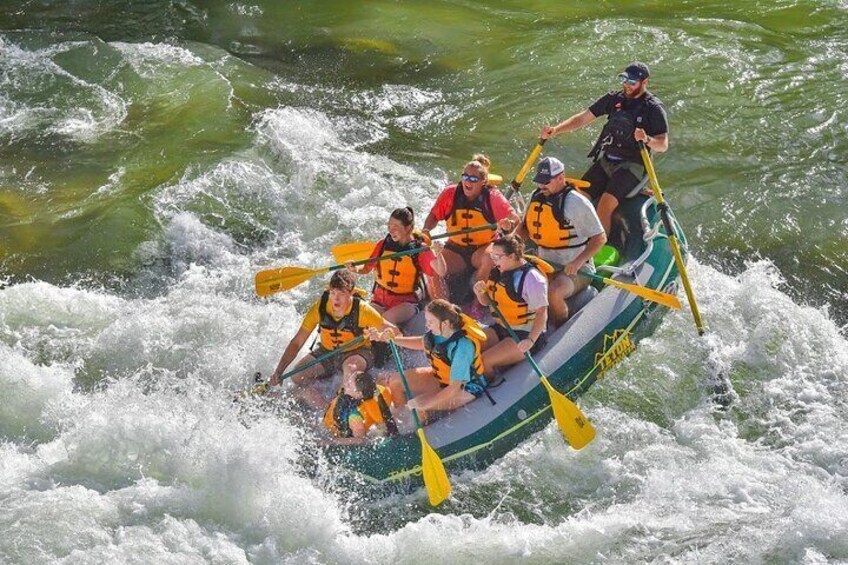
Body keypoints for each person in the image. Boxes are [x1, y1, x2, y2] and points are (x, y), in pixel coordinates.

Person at [540, 62, 668, 236]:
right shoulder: (614, 99)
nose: (627, 85)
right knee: (578, 197)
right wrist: (556, 130)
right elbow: (584, 117)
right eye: (625, 80)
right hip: (607, 159)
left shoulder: (653, 108)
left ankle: (598, 247)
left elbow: (662, 144)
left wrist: (646, 139)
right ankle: (573, 240)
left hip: (633, 164)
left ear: (644, 82)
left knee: (605, 205)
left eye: (632, 82)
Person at [268, 270, 399, 408]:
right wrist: (279, 370)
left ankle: (339, 409)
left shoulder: (363, 310)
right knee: (297, 376)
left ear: (351, 292)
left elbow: (395, 332)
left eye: (341, 294)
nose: (336, 299)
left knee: (350, 369)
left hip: (357, 352)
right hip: (327, 351)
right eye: (333, 293)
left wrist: (384, 334)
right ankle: (320, 403)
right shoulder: (320, 307)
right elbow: (297, 342)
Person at [516, 156, 607, 326]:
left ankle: (559, 328)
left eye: (546, 182)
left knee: (553, 293)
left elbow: (600, 238)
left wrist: (578, 262)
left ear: (560, 178)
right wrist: (511, 242)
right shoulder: (537, 196)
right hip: (544, 263)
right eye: (539, 181)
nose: (542, 186)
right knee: (521, 289)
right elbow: (524, 229)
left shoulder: (577, 202)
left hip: (575, 268)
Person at [370, 299, 488, 423]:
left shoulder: (462, 347)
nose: (427, 325)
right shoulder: (439, 331)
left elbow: (454, 388)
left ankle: (421, 428)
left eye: (430, 322)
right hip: (443, 379)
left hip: (465, 388)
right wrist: (392, 340)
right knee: (395, 381)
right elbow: (421, 342)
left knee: (416, 408)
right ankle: (399, 423)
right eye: (427, 321)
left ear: (445, 323)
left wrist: (426, 404)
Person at [422, 158, 520, 303]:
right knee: (434, 262)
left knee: (489, 258)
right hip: (455, 249)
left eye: (473, 178)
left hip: (482, 249)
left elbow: (514, 217)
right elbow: (434, 216)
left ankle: (477, 304)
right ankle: (441, 306)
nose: (468, 181)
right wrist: (426, 231)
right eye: (465, 177)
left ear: (483, 181)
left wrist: (509, 223)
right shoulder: (450, 193)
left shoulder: (492, 197)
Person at [349, 207, 447, 326]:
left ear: (408, 228)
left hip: (406, 303)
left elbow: (441, 271)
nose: (391, 230)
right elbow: (365, 269)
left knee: (385, 320)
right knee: (363, 319)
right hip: (380, 301)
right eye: (389, 226)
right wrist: (355, 269)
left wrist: (439, 254)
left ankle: (394, 339)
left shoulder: (420, 249)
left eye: (395, 227)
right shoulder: (383, 245)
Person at [473, 234, 550, 375]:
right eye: (493, 256)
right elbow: (487, 302)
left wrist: (530, 340)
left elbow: (541, 312)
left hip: (525, 333)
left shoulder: (532, 279)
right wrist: (480, 293)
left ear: (512, 256)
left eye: (497, 257)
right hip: (503, 327)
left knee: (484, 361)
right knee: (470, 349)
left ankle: (486, 389)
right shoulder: (497, 272)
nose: (494, 261)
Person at [323, 371, 399, 443]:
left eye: (349, 385)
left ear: (358, 393)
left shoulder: (354, 415)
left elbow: (360, 440)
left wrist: (329, 442)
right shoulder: (373, 390)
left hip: (334, 429)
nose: (346, 384)